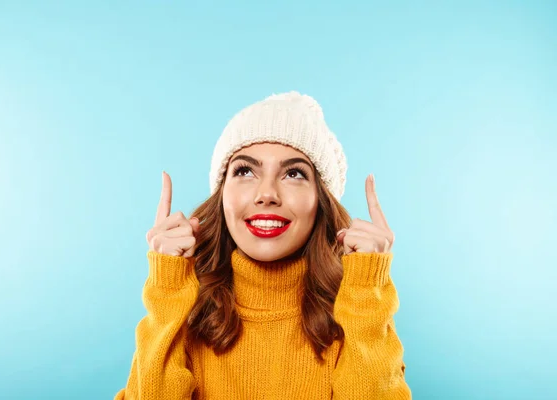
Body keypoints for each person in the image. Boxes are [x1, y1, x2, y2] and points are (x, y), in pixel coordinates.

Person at [114, 91, 412, 399]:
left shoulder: (358, 313)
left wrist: (367, 289)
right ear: (222, 196)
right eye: (245, 171)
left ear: (320, 202)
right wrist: (166, 291)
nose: (267, 193)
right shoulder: (183, 310)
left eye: (294, 173)